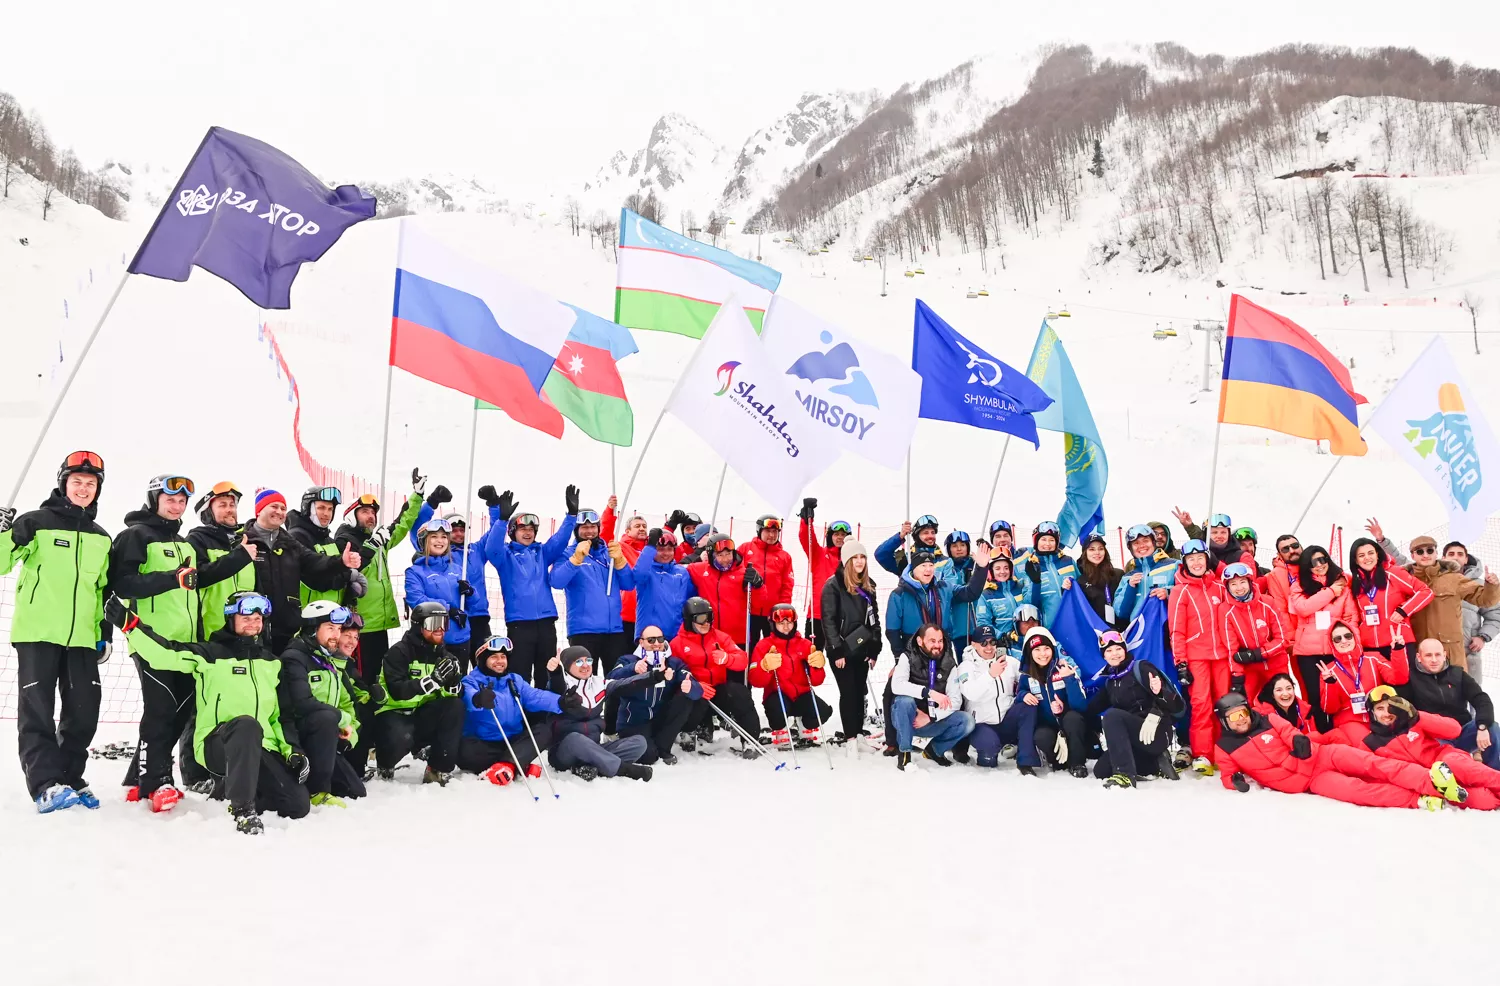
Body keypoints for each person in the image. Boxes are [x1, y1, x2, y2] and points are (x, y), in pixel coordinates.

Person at [109, 591, 322, 834]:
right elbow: (166, 653)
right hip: (217, 744)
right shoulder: (210, 655)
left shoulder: (272, 664)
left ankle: (229, 789)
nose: (253, 624)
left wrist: (292, 751)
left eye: (258, 619)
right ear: (231, 619)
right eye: (246, 618)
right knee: (246, 725)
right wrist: (131, 626)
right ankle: (242, 810)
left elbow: (281, 717)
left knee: (297, 805)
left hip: (259, 747)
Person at [112, 475, 258, 807]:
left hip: (185, 641)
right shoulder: (136, 535)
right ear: (155, 501)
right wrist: (171, 578)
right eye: (170, 500)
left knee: (179, 712)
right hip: (151, 637)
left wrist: (238, 558)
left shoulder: (184, 544)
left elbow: (198, 581)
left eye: (181, 502)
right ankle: (157, 782)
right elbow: (124, 584)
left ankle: (137, 777)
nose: (176, 506)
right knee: (161, 709)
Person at [0, 451, 111, 812]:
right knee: (38, 710)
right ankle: (45, 784)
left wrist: (104, 633)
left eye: (90, 484)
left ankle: (70, 777)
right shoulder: (36, 522)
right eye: (77, 481)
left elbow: (102, 591)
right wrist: (2, 533)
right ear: (64, 484)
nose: (83, 488)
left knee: (84, 710)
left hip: (82, 637)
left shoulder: (101, 537)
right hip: (39, 631)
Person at [1212, 691, 1457, 811]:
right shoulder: (1225, 748)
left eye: (1243, 713)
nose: (1240, 720)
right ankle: (1418, 800)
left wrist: (1300, 741)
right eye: (1233, 717)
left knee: (1372, 764)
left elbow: (1289, 732)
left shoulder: (1267, 720)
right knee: (1358, 790)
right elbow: (1227, 776)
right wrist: (1235, 782)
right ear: (1224, 721)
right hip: (1311, 781)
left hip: (1322, 754)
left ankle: (1431, 782)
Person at [478, 484, 578, 687]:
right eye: (523, 529)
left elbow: (559, 541)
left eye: (531, 529)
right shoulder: (504, 556)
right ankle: (520, 707)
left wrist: (571, 516)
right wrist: (502, 520)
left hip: (546, 623)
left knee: (546, 673)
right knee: (520, 674)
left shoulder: (542, 552)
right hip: (520, 624)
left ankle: (547, 707)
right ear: (513, 532)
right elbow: (491, 548)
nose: (528, 533)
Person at [243, 488, 363, 653]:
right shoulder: (244, 542)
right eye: (274, 507)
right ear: (259, 510)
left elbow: (314, 561)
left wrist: (341, 562)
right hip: (253, 625)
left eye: (283, 508)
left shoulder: (289, 543)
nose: (279, 511)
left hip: (287, 628)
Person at [278, 601, 368, 805]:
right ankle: (318, 790)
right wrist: (340, 719)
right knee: (326, 717)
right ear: (312, 628)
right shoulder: (294, 658)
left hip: (324, 739)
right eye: (330, 628)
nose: (336, 635)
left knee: (355, 791)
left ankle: (317, 779)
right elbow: (302, 703)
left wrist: (349, 732)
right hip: (296, 738)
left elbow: (347, 703)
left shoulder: (328, 659)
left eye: (338, 629)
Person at [335, 485, 424, 684]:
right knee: (361, 679)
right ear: (351, 515)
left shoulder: (378, 540)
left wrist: (417, 496)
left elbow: (401, 524)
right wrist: (372, 545)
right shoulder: (344, 540)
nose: (371, 516)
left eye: (373, 513)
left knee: (378, 676)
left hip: (379, 623)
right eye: (365, 512)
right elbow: (352, 567)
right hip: (359, 625)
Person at [373, 601, 465, 784]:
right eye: (433, 624)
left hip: (422, 714)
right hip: (395, 713)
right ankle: (385, 763)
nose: (440, 629)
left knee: (455, 706)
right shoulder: (398, 652)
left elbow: (451, 697)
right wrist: (432, 681)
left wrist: (453, 684)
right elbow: (398, 690)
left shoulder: (445, 656)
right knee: (401, 736)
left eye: (444, 623)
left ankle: (437, 768)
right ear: (418, 626)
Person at [1362, 686, 1498, 808]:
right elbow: (1371, 775)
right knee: (1483, 800)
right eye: (1380, 709)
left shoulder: (1413, 721)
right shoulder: (1370, 743)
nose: (1387, 713)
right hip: (1431, 783)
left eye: (1391, 707)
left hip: (1447, 761)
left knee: (1454, 763)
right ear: (1372, 712)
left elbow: (1454, 730)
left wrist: (1417, 717)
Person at [1085, 634, 1186, 788]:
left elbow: (1177, 706)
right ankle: (1156, 763)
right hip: (1135, 738)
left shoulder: (1141, 668)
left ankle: (1125, 775)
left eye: (1118, 649)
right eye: (1109, 651)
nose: (1114, 653)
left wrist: (1160, 694)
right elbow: (1090, 709)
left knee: (1112, 716)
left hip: (1157, 731)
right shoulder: (1110, 683)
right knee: (1101, 770)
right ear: (1104, 656)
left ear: (1125, 650)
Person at [549, 507, 635, 684]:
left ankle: (613, 705)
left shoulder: (610, 553)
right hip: (584, 630)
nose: (589, 531)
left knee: (618, 682)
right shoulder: (567, 553)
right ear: (576, 530)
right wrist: (575, 560)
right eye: (584, 528)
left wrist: (620, 561)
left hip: (614, 630)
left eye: (593, 527)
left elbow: (628, 584)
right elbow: (556, 581)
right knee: (584, 681)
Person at [457, 636, 560, 783]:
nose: (500, 661)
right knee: (463, 750)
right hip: (483, 744)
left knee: (543, 731)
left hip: (513, 741)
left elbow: (536, 697)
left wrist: (561, 702)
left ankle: (508, 765)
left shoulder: (515, 680)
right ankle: (518, 762)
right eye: (494, 657)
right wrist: (478, 699)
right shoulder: (471, 680)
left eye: (503, 657)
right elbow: (468, 696)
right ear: (482, 659)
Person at [544, 645, 653, 781]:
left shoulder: (599, 683)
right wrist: (555, 673)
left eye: (588, 660)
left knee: (639, 743)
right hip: (564, 752)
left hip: (594, 748)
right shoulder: (562, 684)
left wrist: (654, 677)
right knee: (575, 739)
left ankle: (589, 766)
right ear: (567, 666)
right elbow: (556, 686)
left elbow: (626, 683)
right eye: (579, 662)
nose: (585, 665)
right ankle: (624, 769)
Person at [670, 597, 761, 755]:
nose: (706, 623)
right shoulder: (677, 644)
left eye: (709, 617)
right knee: (688, 699)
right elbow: (674, 674)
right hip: (695, 692)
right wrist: (695, 687)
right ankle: (690, 730)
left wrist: (727, 658)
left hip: (717, 689)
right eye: (701, 619)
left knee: (739, 693)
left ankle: (750, 740)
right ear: (689, 620)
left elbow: (742, 659)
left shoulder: (720, 638)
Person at [1169, 539, 1230, 773]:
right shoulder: (1180, 590)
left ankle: (1224, 750)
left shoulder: (1220, 587)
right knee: (1201, 703)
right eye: (1191, 559)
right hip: (1196, 656)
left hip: (1222, 655)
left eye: (1200, 558)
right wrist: (1181, 662)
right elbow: (1177, 630)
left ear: (1207, 559)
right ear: (1184, 563)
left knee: (1225, 703)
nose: (1196, 563)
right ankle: (1203, 753)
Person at [410, 482, 492, 652]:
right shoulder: (437, 553)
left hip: (477, 616)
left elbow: (495, 534)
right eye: (454, 530)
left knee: (484, 662)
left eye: (462, 530)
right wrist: (432, 502)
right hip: (448, 621)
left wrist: (495, 506)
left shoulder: (476, 550)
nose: (459, 534)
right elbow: (417, 529)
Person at [1402, 534, 1500, 675]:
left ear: (1436, 553)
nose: (1425, 555)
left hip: (1450, 653)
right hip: (1418, 652)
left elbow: (1485, 600)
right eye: (1419, 551)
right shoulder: (1405, 581)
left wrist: (1491, 586)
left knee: (1455, 688)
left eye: (1430, 550)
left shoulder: (1453, 578)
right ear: (1412, 555)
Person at [820, 539, 882, 744]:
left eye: (862, 557)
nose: (859, 561)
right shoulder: (833, 586)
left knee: (859, 692)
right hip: (842, 649)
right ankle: (851, 740)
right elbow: (828, 620)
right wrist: (836, 650)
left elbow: (874, 620)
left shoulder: (869, 585)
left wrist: (874, 648)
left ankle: (858, 735)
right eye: (854, 557)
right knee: (848, 692)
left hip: (861, 647)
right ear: (846, 560)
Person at [888, 623, 975, 770]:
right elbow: (897, 685)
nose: (937, 645)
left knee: (967, 721)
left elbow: (955, 700)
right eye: (932, 641)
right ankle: (904, 753)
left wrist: (931, 717)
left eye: (940, 641)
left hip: (932, 720)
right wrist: (927, 692)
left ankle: (934, 750)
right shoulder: (906, 657)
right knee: (904, 701)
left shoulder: (949, 663)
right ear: (920, 641)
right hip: (908, 719)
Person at [1288, 544, 1356, 730]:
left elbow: (1351, 618)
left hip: (1336, 649)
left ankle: (1341, 731)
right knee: (1315, 696)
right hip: (1309, 653)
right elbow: (1304, 608)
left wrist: (1352, 645)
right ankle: (1321, 734)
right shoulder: (1299, 586)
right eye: (1313, 562)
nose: (1319, 565)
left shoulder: (1343, 585)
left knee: (1339, 692)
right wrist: (1331, 591)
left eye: (1322, 559)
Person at [884, 541, 991, 658]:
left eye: (931, 565)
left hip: (942, 651)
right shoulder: (899, 594)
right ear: (913, 569)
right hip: (913, 653)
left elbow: (970, 593)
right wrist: (899, 656)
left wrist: (981, 568)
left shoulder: (944, 588)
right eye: (923, 566)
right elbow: (892, 631)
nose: (928, 569)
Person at [610, 625, 699, 765]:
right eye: (651, 640)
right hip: (634, 721)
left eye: (660, 639)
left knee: (685, 697)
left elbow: (697, 690)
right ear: (641, 642)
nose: (656, 643)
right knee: (648, 756)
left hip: (660, 720)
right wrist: (632, 669)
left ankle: (663, 748)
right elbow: (610, 681)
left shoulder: (674, 663)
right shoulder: (628, 660)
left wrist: (690, 687)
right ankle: (645, 747)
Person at [1406, 636, 1498, 769]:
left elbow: (1481, 698)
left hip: (1463, 731)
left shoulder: (1457, 673)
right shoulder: (1411, 678)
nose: (1434, 660)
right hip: (1436, 739)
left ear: (1444, 655)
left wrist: (1482, 726)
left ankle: (1495, 772)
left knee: (1492, 727)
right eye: (1428, 655)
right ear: (1419, 657)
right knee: (1453, 764)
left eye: (1438, 654)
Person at [748, 602, 833, 746]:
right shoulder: (764, 645)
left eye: (789, 623)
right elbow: (755, 680)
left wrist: (817, 667)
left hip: (802, 694)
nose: (786, 627)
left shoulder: (805, 645)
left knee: (823, 712)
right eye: (781, 623)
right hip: (778, 694)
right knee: (777, 710)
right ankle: (780, 727)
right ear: (773, 624)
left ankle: (803, 724)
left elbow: (817, 681)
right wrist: (764, 666)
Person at [949, 626, 1032, 769]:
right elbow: (971, 693)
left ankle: (1026, 760)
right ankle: (988, 755)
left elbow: (1029, 677)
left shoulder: (1008, 661)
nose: (989, 647)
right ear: (974, 644)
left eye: (992, 642)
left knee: (1028, 706)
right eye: (984, 643)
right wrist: (990, 675)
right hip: (982, 723)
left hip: (1007, 719)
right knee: (989, 753)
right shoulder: (966, 666)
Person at [1317, 618, 1409, 745]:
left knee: (1398, 744)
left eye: (1348, 636)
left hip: (1379, 715)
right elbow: (1330, 709)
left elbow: (1399, 679)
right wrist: (1330, 684)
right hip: (1350, 721)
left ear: (1354, 637)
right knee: (1370, 746)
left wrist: (1398, 650)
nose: (1344, 641)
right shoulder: (1328, 671)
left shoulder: (1374, 658)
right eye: (1338, 639)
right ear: (1332, 644)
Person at [1015, 626, 1092, 776]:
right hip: (1047, 724)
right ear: (1029, 652)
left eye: (1046, 648)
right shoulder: (1026, 676)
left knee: (1073, 718)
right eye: (1037, 650)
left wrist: (1069, 679)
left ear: (1053, 649)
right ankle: (1058, 762)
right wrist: (1023, 695)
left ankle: (1077, 763)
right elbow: (1018, 694)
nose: (1043, 654)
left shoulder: (1064, 668)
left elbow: (1081, 706)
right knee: (1041, 736)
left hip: (1069, 723)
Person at [186, 483, 259, 637]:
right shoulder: (197, 539)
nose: (230, 509)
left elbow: (258, 589)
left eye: (232, 505)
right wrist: (238, 557)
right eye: (222, 505)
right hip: (212, 632)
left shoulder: (245, 541)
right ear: (207, 512)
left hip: (246, 631)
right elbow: (199, 578)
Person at [404, 517, 477, 672]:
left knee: (459, 681)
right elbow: (417, 601)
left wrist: (470, 592)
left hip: (460, 637)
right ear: (424, 540)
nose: (440, 541)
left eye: (444, 536)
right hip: (433, 638)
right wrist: (449, 609)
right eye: (434, 537)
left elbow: (473, 603)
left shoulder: (457, 569)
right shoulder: (415, 572)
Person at [1346, 536, 1432, 658]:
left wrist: (1403, 610)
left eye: (1371, 553)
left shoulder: (1394, 573)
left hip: (1398, 641)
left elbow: (1426, 592)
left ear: (1377, 555)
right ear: (1355, 560)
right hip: (1369, 646)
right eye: (1361, 555)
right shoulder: (1356, 583)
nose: (1367, 558)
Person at [1219, 562, 1288, 700]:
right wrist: (1237, 675)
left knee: (1281, 700)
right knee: (1249, 703)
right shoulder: (1225, 610)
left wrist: (1259, 653)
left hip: (1276, 664)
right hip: (1251, 669)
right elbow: (1231, 646)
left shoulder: (1267, 602)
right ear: (1227, 587)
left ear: (1250, 582)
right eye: (1233, 584)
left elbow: (1282, 638)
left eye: (1242, 582)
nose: (1239, 588)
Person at [686, 533, 764, 652]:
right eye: (720, 555)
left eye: (728, 554)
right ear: (711, 556)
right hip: (710, 636)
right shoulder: (700, 570)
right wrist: (698, 557)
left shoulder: (743, 574)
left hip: (737, 638)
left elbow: (759, 603)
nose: (726, 559)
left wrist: (758, 585)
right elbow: (678, 568)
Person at [1440, 541, 1500, 683]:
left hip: (1467, 651)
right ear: (1443, 558)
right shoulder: (1434, 581)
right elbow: (1406, 563)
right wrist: (1386, 543)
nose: (1456, 557)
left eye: (1460, 554)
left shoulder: (1479, 584)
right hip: (1438, 652)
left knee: (1471, 691)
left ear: (1466, 559)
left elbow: (1495, 615)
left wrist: (1483, 637)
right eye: (1451, 554)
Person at [797, 497, 849, 646]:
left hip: (842, 616)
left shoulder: (851, 559)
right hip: (817, 615)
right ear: (830, 537)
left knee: (840, 656)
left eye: (843, 535)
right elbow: (806, 538)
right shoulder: (819, 554)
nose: (840, 538)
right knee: (813, 655)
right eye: (836, 534)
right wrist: (806, 519)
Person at [740, 514, 794, 650]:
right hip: (749, 611)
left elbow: (787, 585)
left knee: (773, 648)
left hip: (772, 613)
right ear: (759, 531)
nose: (772, 535)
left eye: (775, 531)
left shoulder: (784, 557)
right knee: (749, 647)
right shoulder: (745, 549)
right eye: (768, 531)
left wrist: (783, 609)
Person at [288, 486, 348, 607]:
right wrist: (347, 576)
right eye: (321, 508)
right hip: (308, 612)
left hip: (332, 613)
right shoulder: (297, 537)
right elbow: (317, 581)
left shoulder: (328, 540)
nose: (326, 514)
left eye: (330, 509)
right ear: (307, 508)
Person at [632, 528, 695, 640]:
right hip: (650, 637)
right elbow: (638, 575)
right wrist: (650, 546)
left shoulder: (682, 572)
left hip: (676, 636)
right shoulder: (647, 570)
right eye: (660, 549)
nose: (666, 553)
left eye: (670, 549)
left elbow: (690, 600)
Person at [601, 496, 649, 641]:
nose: (642, 528)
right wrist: (610, 511)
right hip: (626, 615)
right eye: (637, 526)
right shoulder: (620, 547)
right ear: (627, 531)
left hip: (648, 615)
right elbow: (605, 536)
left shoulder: (653, 550)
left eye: (644, 526)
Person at [1115, 524, 1176, 625]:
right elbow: (1121, 613)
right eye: (1136, 543)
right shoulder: (1127, 577)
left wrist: (1168, 593)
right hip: (1140, 631)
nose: (1142, 546)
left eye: (1145, 541)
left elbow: (1189, 593)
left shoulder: (1173, 566)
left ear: (1153, 542)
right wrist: (1130, 587)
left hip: (1168, 629)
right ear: (1130, 548)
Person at [1023, 522, 1075, 627]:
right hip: (1049, 627)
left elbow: (1082, 589)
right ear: (1036, 542)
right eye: (1043, 539)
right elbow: (1029, 604)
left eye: (1052, 540)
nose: (1047, 544)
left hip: (1073, 623)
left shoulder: (1068, 561)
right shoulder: (1032, 567)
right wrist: (1036, 583)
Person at [937, 530, 982, 651]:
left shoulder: (975, 564)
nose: (959, 549)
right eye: (954, 546)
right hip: (958, 627)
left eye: (962, 545)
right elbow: (950, 591)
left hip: (977, 623)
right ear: (949, 549)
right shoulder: (947, 568)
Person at [1076, 532, 1125, 627]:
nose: (1097, 553)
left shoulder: (1118, 574)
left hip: (1122, 630)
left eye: (1100, 549)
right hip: (1097, 631)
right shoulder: (1081, 581)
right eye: (1092, 549)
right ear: (1085, 553)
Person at [1176, 510, 1252, 571]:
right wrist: (1189, 526)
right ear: (1207, 534)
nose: (1219, 536)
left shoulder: (1242, 556)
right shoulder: (1200, 555)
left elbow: (1248, 579)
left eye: (1223, 532)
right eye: (1214, 532)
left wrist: (1216, 564)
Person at [975, 555, 1026, 642]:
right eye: (997, 569)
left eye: (1006, 568)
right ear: (991, 571)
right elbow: (983, 623)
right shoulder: (986, 595)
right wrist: (1003, 636)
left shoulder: (1020, 588)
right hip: (1002, 643)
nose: (1002, 572)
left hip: (1024, 640)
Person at [1264, 534, 1303, 644]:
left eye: (1295, 546)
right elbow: (1281, 611)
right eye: (1285, 549)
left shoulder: (1314, 566)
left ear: (1301, 546)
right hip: (1298, 636)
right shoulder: (1275, 575)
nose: (1292, 551)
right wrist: (1293, 639)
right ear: (1279, 554)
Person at [874, 514, 942, 576]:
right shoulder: (906, 560)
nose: (930, 536)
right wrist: (900, 536)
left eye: (933, 532)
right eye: (926, 533)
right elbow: (881, 554)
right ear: (917, 536)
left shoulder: (943, 561)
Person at [1254, 673, 1319, 737]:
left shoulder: (1305, 711)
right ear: (1272, 695)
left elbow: (1314, 737)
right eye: (1279, 690)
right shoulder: (1260, 717)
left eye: (1289, 688)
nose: (1285, 694)